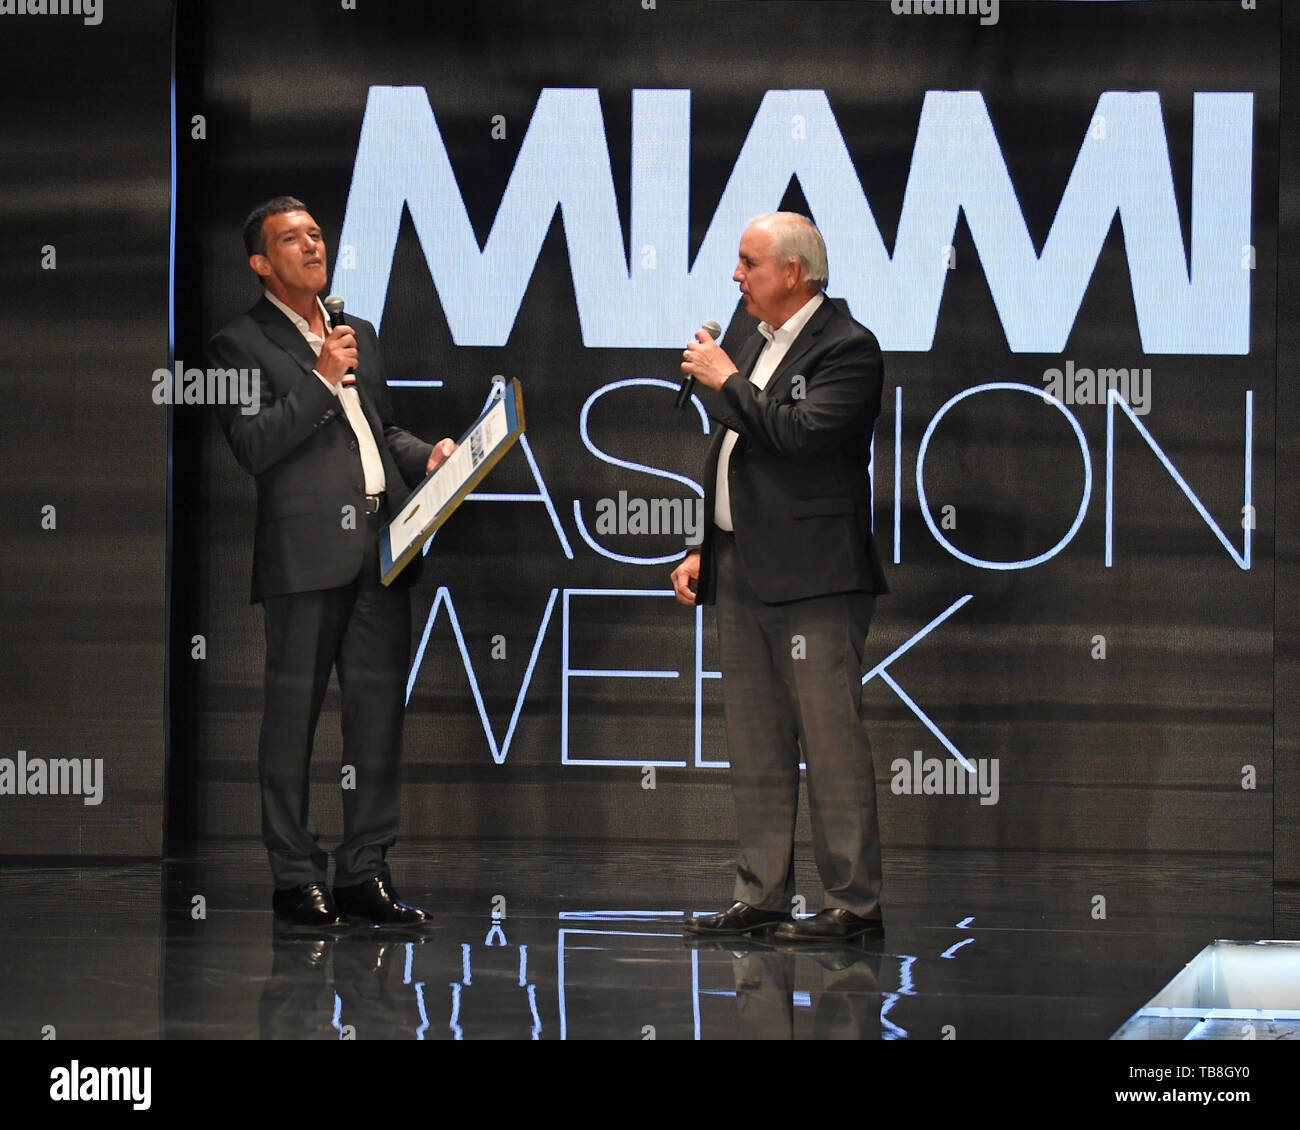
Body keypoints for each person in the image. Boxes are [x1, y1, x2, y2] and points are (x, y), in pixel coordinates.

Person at [208, 197, 457, 930]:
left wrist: (429, 456)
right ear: (261, 263)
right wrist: (318, 378)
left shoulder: (358, 334)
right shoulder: (236, 345)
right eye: (292, 239)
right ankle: (293, 877)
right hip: (305, 558)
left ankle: (364, 873)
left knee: (377, 722)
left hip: (383, 552)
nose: (313, 245)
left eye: (316, 233)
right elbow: (253, 447)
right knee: (292, 721)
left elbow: (379, 431)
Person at [673, 212, 889, 942]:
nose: (736, 277)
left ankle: (853, 904)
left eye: (748, 263)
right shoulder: (751, 341)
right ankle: (761, 891)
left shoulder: (849, 349)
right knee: (756, 741)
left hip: (816, 578)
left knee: (829, 744)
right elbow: (740, 451)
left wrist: (726, 380)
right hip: (740, 568)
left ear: (792, 273)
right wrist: (711, 542)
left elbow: (801, 437)